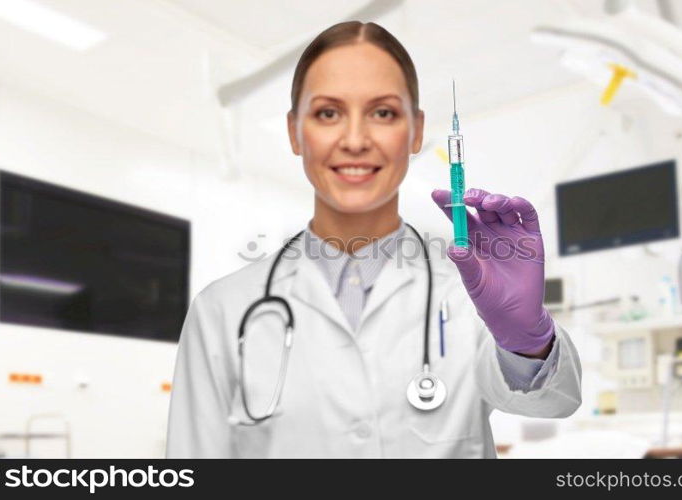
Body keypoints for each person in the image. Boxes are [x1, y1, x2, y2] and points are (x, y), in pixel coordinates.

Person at [166, 21, 581, 458]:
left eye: (383, 112)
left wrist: (528, 339)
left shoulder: (468, 291)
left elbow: (554, 401)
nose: (356, 140)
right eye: (328, 113)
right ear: (294, 131)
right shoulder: (222, 310)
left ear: (416, 132)